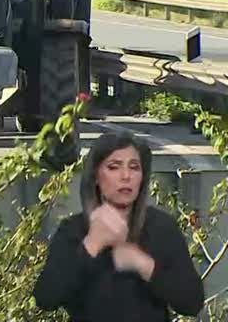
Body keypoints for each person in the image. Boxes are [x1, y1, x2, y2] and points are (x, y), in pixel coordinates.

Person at [32, 129, 204, 322]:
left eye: (134, 167)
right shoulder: (73, 230)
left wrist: (144, 265)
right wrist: (91, 245)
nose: (126, 176)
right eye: (114, 167)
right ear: (96, 176)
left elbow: (192, 303)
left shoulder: (161, 227)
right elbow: (46, 298)